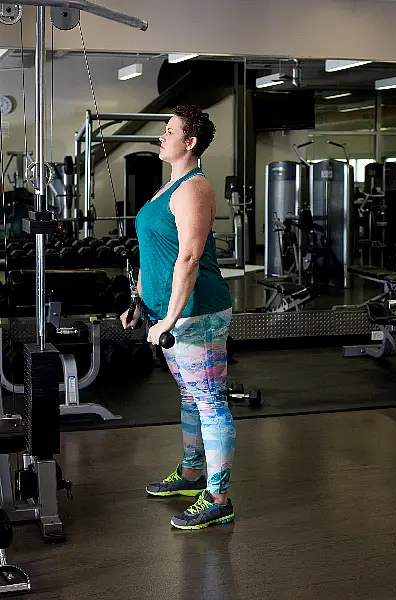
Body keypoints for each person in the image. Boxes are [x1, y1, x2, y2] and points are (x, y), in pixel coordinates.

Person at [120, 105, 236, 530]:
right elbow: (159, 254)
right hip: (170, 313)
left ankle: (219, 497)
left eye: (170, 131)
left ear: (190, 143)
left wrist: (168, 319)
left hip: (197, 313)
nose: (162, 137)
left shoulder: (194, 188)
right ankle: (191, 474)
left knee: (209, 402)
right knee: (191, 398)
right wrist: (141, 304)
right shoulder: (168, 188)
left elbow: (188, 258)